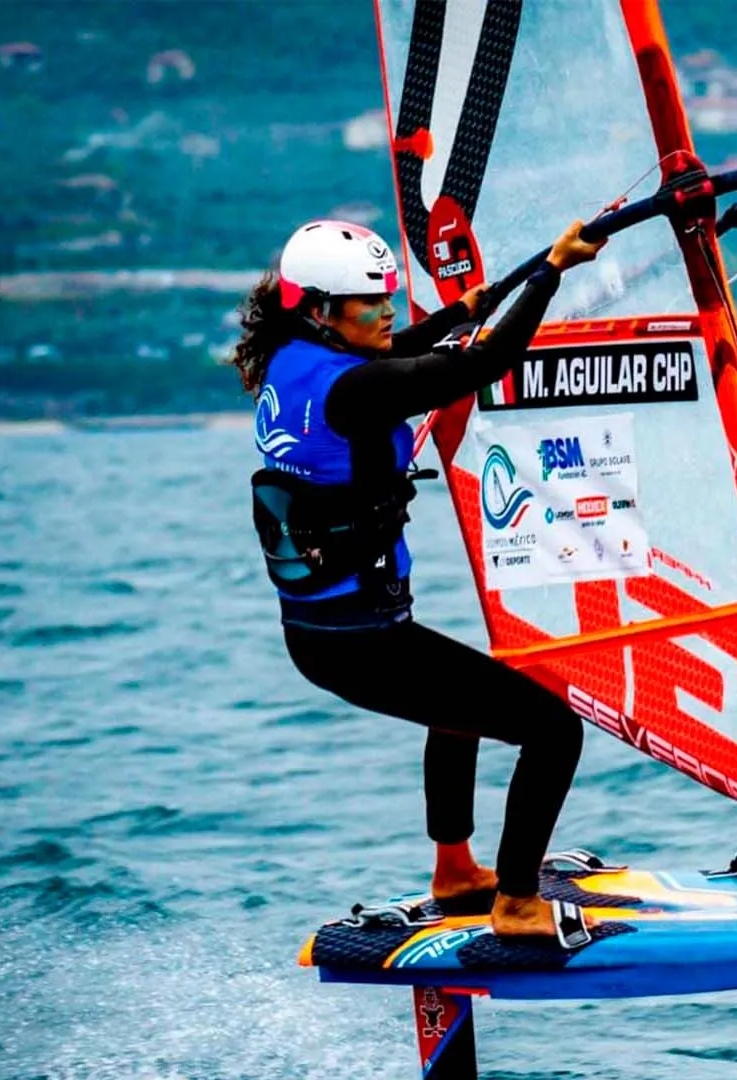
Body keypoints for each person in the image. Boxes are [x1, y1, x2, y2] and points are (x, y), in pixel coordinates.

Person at [231, 218, 606, 947]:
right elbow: (480, 365)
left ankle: (456, 871)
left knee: (456, 705)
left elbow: (409, 348)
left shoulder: (293, 360)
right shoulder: (357, 388)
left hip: (326, 633)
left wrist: (477, 302)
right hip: (362, 639)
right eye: (370, 302)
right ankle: (517, 902)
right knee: (554, 731)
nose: (387, 311)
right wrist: (551, 274)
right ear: (321, 309)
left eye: (388, 295)